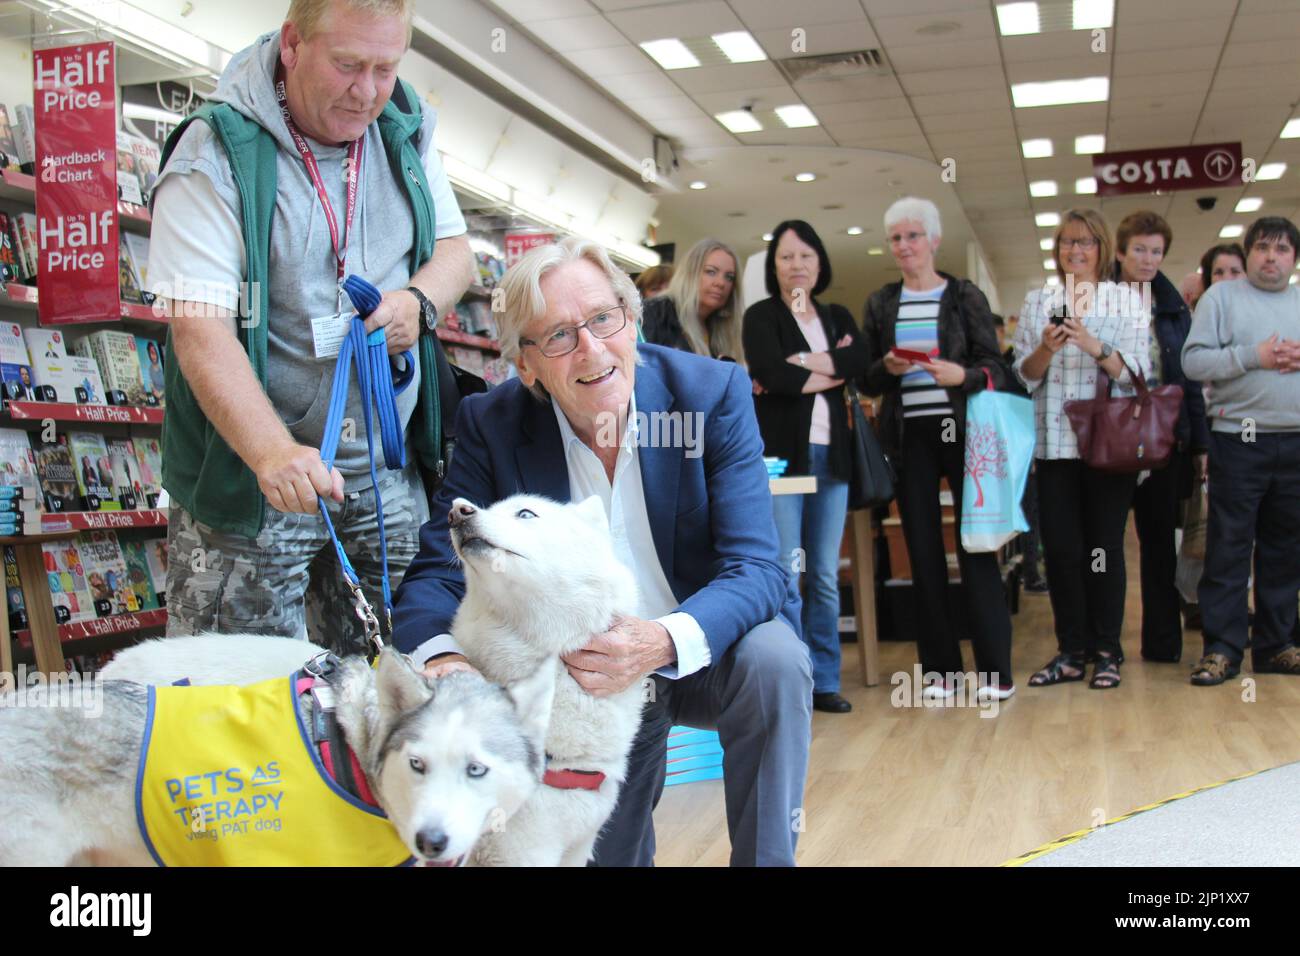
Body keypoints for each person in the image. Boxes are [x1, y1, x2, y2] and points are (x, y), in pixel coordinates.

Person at [392, 237, 811, 866]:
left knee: (774, 658)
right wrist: (447, 661)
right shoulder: (492, 422)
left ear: (632, 318)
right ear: (526, 365)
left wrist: (659, 642)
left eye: (602, 319)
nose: (590, 349)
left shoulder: (711, 393)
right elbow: (436, 572)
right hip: (577, 681)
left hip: (695, 651)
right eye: (558, 336)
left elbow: (757, 568)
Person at [146, 0, 473, 649]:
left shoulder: (404, 128)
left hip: (384, 480)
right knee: (236, 703)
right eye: (348, 65)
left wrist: (416, 301)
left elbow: (455, 251)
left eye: (386, 67)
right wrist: (271, 452)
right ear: (292, 45)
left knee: (401, 700)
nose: (368, 91)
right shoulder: (215, 150)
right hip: (252, 483)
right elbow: (200, 329)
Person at [841, 197, 1016, 699]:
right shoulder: (881, 302)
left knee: (977, 548)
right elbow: (867, 375)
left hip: (965, 431)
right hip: (908, 437)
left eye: (913, 236)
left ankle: (994, 671)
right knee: (921, 551)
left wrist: (964, 375)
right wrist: (887, 370)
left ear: (934, 240)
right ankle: (939, 669)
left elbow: (995, 367)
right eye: (896, 237)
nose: (904, 246)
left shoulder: (963, 296)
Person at [1014, 208, 1149, 690]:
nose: (1075, 250)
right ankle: (1071, 651)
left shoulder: (1126, 301)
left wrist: (1093, 344)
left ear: (1102, 249)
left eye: (1086, 242)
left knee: (1104, 549)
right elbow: (1022, 376)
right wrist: (1047, 348)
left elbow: (1139, 377)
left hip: (1107, 446)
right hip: (1054, 449)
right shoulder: (1037, 301)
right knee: (1064, 552)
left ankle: (1107, 650)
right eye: (1067, 242)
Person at [742, 221, 857, 713]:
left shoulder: (837, 313)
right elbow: (772, 374)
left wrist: (804, 365)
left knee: (825, 574)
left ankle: (826, 680)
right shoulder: (760, 316)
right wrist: (832, 367)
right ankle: (793, 681)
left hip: (834, 456)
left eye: (805, 256)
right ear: (773, 266)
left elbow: (862, 362)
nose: (796, 265)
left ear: (820, 261)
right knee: (789, 572)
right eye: (786, 257)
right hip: (784, 459)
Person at [1182, 217, 1300, 685]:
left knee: (1285, 551)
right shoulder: (1221, 299)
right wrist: (1255, 356)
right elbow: (1193, 362)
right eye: (1263, 248)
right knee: (1229, 547)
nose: (1272, 257)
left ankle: (1277, 646)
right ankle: (1223, 649)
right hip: (1240, 439)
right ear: (1248, 254)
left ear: (1294, 258)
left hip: (1295, 440)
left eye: (1283, 249)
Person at [1112, 211, 1209, 664]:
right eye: (1139, 250)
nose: (1148, 259)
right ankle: (1102, 644)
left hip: (1163, 438)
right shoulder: (1097, 298)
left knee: (1158, 547)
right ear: (1120, 251)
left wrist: (1201, 443)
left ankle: (1163, 644)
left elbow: (1189, 380)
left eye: (1156, 251)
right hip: (1109, 436)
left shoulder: (1172, 308)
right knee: (1104, 545)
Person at [641, 239, 743, 363]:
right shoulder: (655, 314)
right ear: (690, 272)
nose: (721, 283)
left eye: (729, 277)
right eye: (711, 272)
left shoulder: (720, 332)